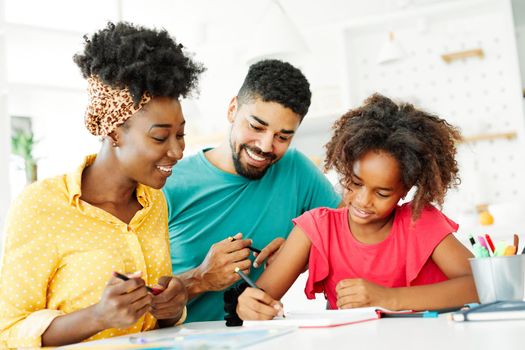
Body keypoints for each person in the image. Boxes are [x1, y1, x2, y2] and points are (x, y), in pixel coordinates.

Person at [0, 22, 204, 347]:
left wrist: (169, 307)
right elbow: (8, 332)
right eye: (160, 136)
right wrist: (97, 316)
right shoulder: (41, 205)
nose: (177, 151)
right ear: (113, 132)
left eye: (180, 134)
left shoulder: (153, 202)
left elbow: (151, 324)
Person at [235, 94, 479, 321]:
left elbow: (480, 284)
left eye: (382, 193)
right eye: (355, 183)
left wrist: (386, 298)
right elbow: (261, 296)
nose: (363, 200)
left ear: (405, 190)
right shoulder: (316, 228)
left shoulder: (420, 222)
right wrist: (247, 305)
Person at [163, 59, 342, 322]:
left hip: (255, 340)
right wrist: (201, 279)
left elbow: (350, 234)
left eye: (283, 137)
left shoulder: (296, 170)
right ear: (233, 110)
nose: (266, 146)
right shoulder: (169, 184)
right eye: (256, 127)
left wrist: (301, 252)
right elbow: (135, 297)